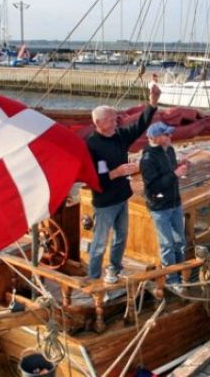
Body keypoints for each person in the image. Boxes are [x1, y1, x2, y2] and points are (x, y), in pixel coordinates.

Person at [86, 82, 161, 280]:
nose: (116, 123)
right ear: (99, 123)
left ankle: (115, 268)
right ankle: (93, 278)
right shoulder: (91, 145)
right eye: (111, 120)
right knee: (100, 242)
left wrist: (152, 103)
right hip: (104, 203)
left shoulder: (118, 136)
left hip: (121, 198)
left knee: (121, 237)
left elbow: (140, 125)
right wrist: (116, 172)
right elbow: (92, 177)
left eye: (116, 119)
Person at [140, 121, 189, 291]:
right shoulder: (147, 159)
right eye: (166, 135)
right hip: (160, 207)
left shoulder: (169, 150)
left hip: (175, 202)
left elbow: (170, 172)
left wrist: (180, 167)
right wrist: (175, 174)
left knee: (180, 241)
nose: (170, 137)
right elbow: (153, 187)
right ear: (155, 138)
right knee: (167, 245)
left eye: (169, 134)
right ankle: (171, 280)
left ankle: (182, 272)